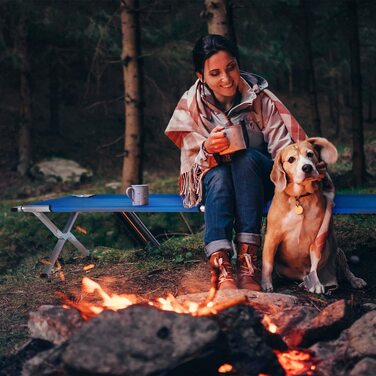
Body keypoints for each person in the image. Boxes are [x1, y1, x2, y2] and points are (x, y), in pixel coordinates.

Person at [165, 34, 310, 291]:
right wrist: (207, 149)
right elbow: (193, 166)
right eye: (215, 73)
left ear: (237, 64)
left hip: (261, 179)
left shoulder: (259, 99)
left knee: (246, 159)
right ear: (201, 76)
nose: (226, 78)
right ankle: (221, 264)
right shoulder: (191, 105)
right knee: (219, 175)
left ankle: (248, 261)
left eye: (231, 68)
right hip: (217, 183)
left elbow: (283, 150)